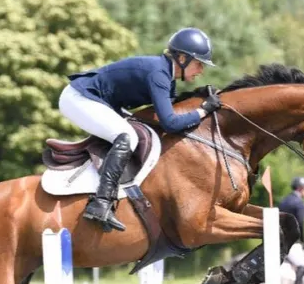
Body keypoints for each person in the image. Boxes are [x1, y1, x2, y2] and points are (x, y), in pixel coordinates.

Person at [58, 27, 221, 232]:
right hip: (78, 98)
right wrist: (202, 111)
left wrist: (198, 97)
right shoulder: (159, 74)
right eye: (198, 64)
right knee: (127, 137)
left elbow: (167, 111)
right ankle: (100, 203)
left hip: (97, 101)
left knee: (129, 133)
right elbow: (170, 123)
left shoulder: (166, 77)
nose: (201, 70)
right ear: (182, 58)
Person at [279, 176, 304, 284]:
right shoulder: (299, 204)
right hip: (291, 242)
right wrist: (303, 240)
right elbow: (300, 223)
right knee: (303, 265)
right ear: (301, 188)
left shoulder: (284, 201)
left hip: (278, 238)